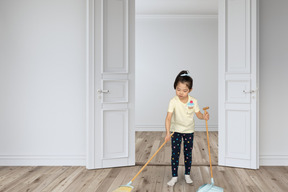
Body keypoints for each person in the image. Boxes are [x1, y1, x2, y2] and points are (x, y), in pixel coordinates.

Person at [165, 70, 209, 186]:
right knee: (175, 153)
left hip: (189, 131)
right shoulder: (173, 101)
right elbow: (168, 118)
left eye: (184, 90)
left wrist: (203, 117)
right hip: (176, 131)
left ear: (190, 90)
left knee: (187, 153)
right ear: (175, 87)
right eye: (178, 89)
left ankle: (187, 175)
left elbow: (198, 114)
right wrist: (167, 133)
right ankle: (174, 176)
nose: (180, 93)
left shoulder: (193, 101)